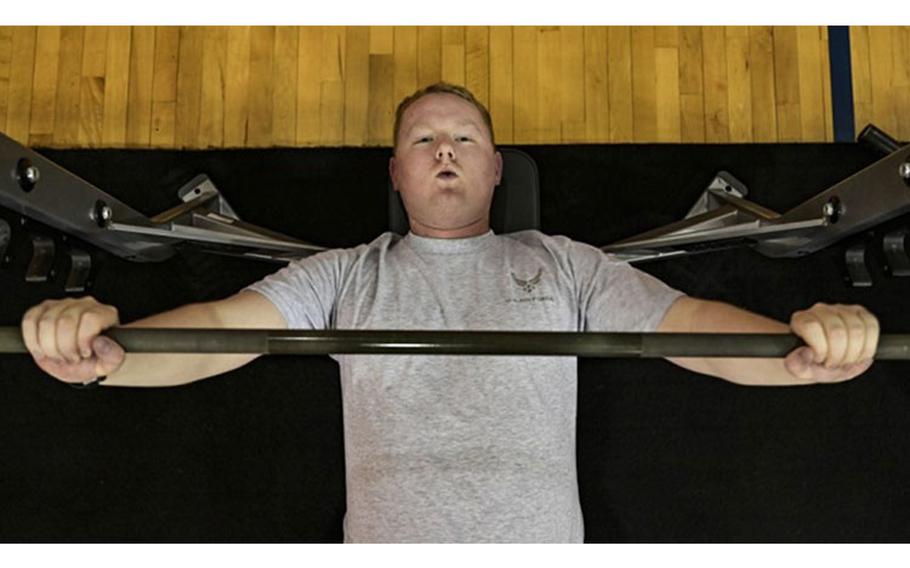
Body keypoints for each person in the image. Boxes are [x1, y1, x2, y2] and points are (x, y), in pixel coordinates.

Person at [20, 82, 880, 543]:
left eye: (463, 138)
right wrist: (111, 353)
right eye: (422, 141)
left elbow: (685, 327)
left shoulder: (566, 264)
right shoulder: (343, 277)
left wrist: (792, 350)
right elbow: (219, 333)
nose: (442, 150)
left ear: (496, 169)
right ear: (395, 176)